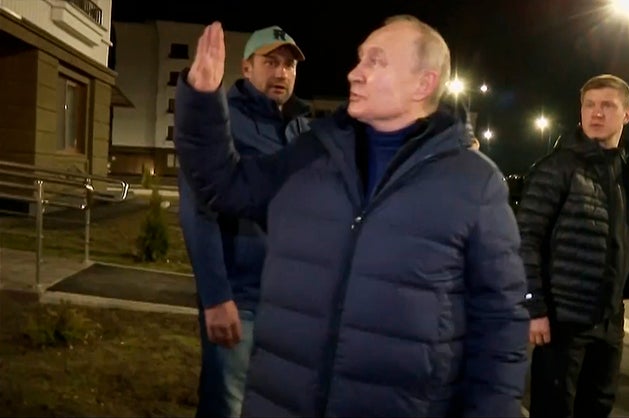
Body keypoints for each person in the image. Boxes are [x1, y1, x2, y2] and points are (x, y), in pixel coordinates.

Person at [175, 15, 529, 417]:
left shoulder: (474, 183)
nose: (353, 74)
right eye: (359, 60)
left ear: (423, 83)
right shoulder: (312, 154)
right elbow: (225, 187)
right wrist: (202, 100)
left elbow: (500, 322)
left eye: (375, 62)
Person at [516, 74, 629, 417]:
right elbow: (525, 240)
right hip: (563, 321)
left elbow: (628, 237)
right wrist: (535, 309)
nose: (596, 113)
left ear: (627, 114)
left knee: (598, 407)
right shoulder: (558, 168)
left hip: (610, 320)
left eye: (607, 105)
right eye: (589, 105)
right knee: (553, 409)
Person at [177, 25, 311, 417]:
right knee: (227, 405)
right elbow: (197, 209)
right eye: (271, 62)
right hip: (240, 297)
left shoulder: (300, 128)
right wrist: (217, 296)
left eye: (289, 65)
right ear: (246, 67)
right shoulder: (221, 119)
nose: (282, 73)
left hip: (286, 300)